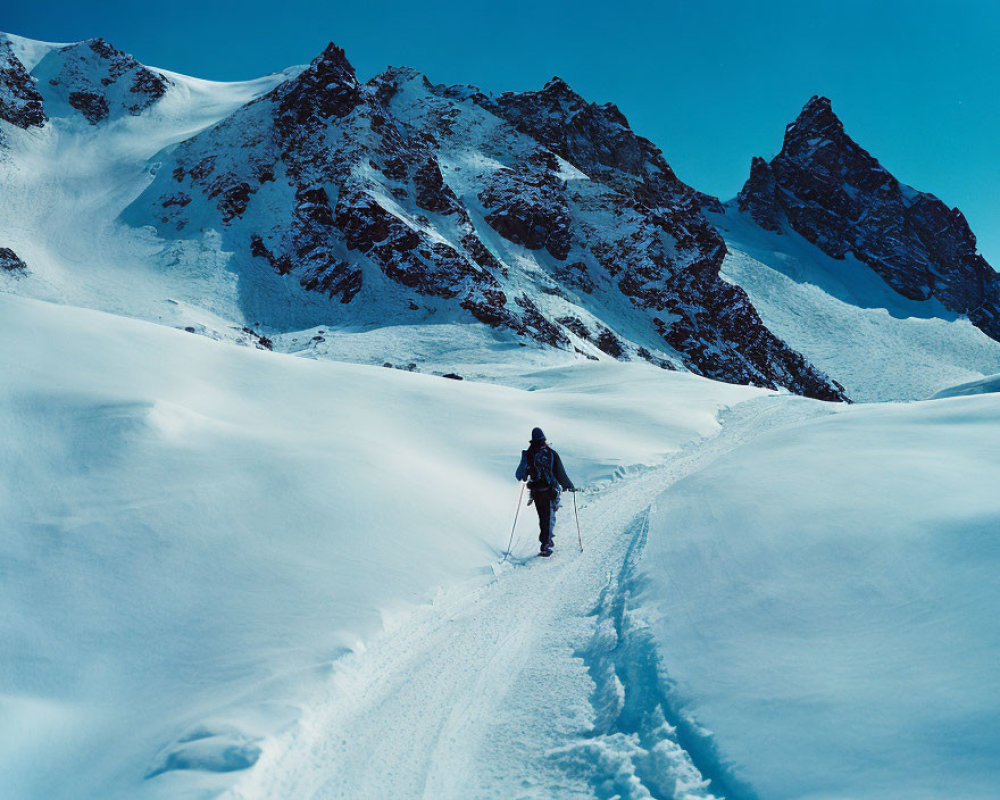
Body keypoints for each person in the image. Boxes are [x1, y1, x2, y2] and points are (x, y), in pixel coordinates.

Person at [515, 427, 576, 557]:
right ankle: (546, 544)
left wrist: (525, 467)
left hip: (536, 493)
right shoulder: (551, 454)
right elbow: (560, 473)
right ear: (544, 439)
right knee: (549, 517)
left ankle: (545, 542)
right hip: (550, 491)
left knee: (543, 518)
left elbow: (520, 475)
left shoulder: (529, 454)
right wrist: (569, 486)